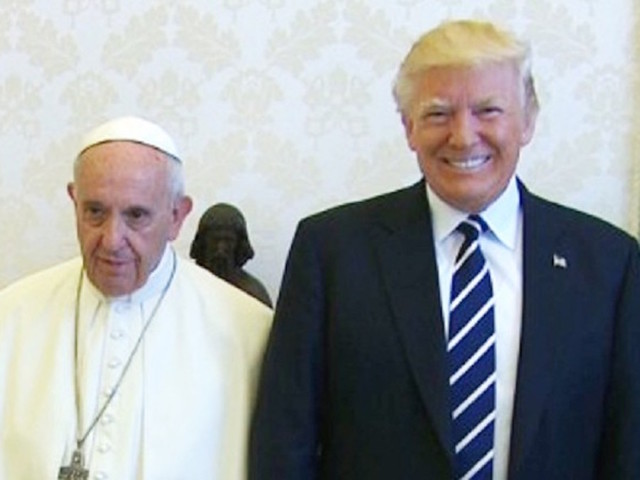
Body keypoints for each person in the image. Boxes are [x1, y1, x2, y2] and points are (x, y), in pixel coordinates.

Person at [249, 20, 640, 480]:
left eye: (488, 110)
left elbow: (627, 450)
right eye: (438, 114)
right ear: (408, 127)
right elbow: (283, 443)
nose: (463, 136)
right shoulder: (332, 253)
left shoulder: (609, 263)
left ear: (528, 119)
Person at [0, 116, 272, 479]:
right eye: (95, 212)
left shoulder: (248, 332)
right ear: (74, 201)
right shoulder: (12, 314)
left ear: (177, 216)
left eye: (136, 215)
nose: (112, 239)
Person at [190, 203, 273, 308]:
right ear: (203, 242)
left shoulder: (253, 293)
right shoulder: (184, 287)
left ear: (239, 244)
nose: (220, 250)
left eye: (228, 241)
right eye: (214, 240)